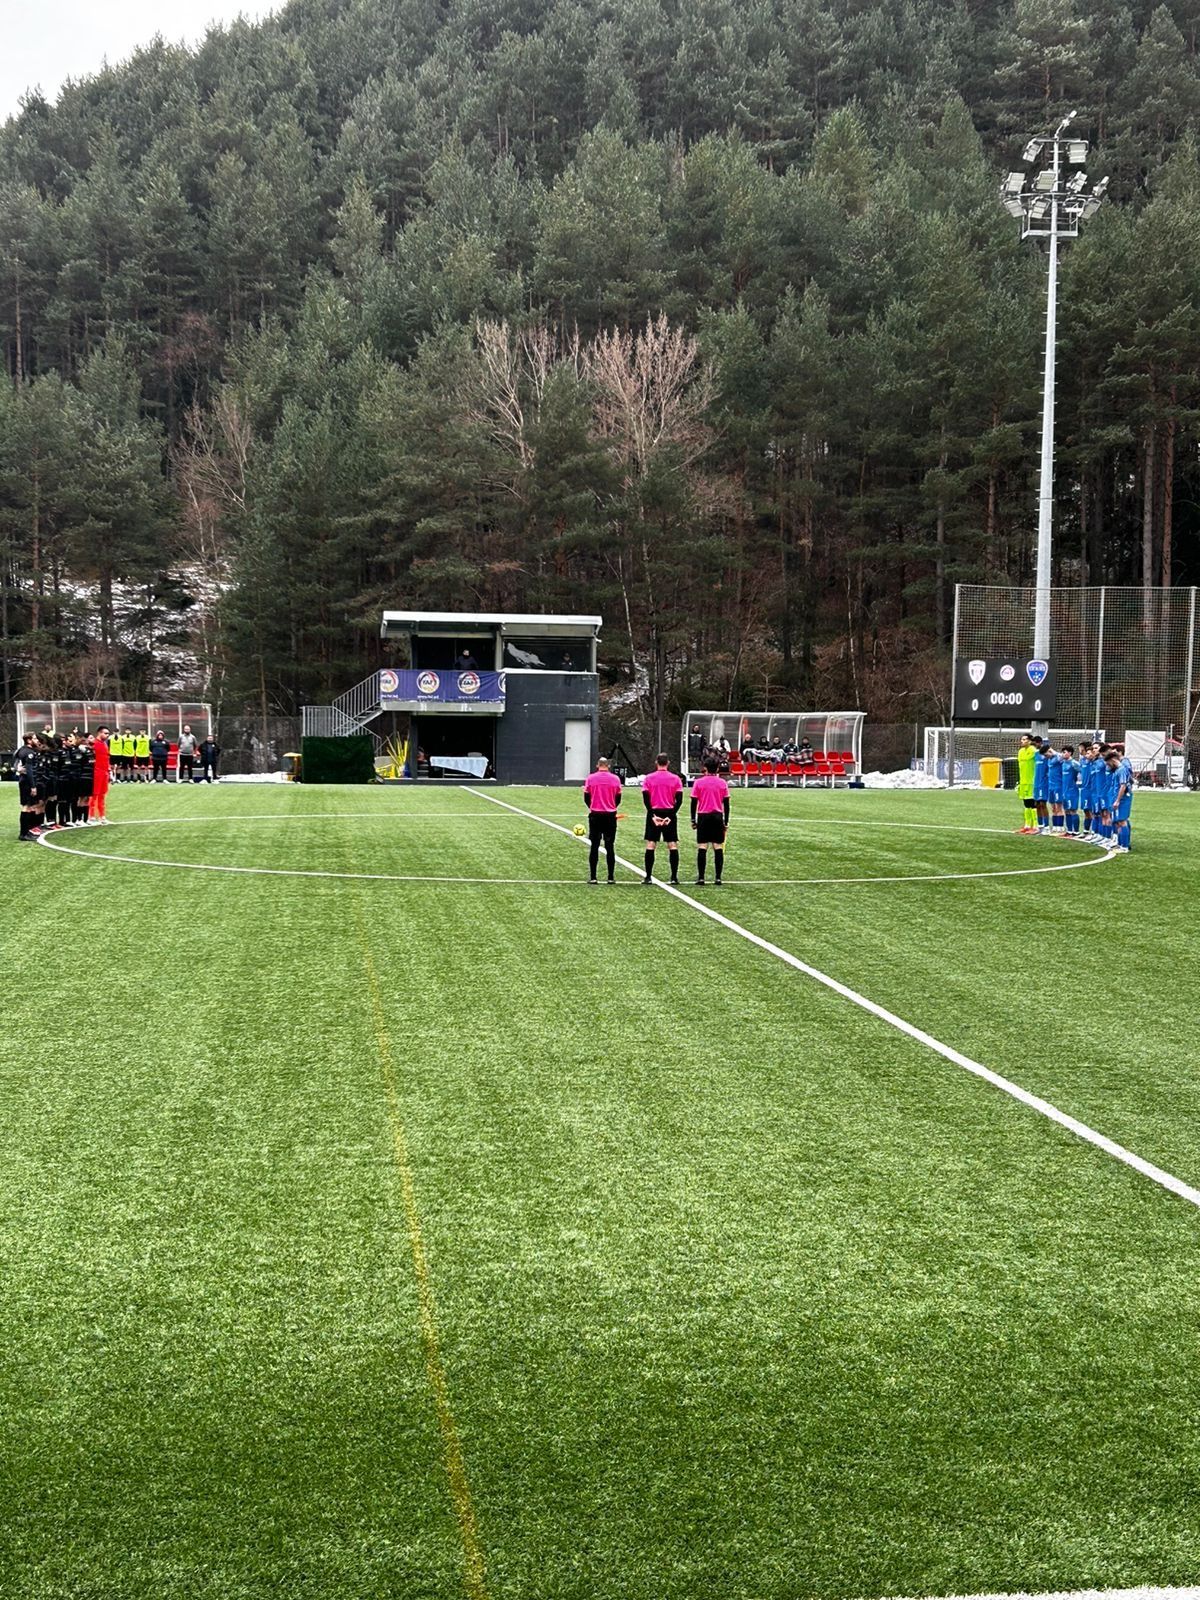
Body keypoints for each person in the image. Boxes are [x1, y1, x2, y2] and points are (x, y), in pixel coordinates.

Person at [640, 752, 683, 885]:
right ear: (668, 763)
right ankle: (674, 877)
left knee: (651, 844)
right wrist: (671, 815)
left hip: (654, 812)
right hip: (669, 813)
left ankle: (648, 877)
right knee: (672, 844)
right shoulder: (676, 779)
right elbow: (679, 800)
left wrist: (652, 815)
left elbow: (646, 799)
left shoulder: (649, 778)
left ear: (656, 762)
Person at [690, 754, 731, 885]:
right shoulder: (722, 783)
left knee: (702, 846)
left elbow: (693, 802)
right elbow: (726, 803)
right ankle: (718, 877)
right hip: (717, 816)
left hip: (703, 816)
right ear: (717, 768)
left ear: (705, 768)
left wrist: (693, 819)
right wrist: (726, 821)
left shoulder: (698, 782)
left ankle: (701, 877)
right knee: (717, 846)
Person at [582, 755, 622, 884]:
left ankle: (593, 877)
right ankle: (610, 877)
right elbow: (618, 798)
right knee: (610, 846)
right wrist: (611, 806)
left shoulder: (591, 778)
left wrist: (593, 806)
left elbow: (586, 797)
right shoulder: (615, 779)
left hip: (596, 815)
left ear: (597, 766)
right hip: (610, 816)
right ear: (608, 766)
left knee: (594, 846)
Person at [15, 734, 43, 841]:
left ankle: (28, 831)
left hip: (24, 780)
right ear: (29, 740)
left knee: (30, 806)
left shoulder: (21, 750)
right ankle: (23, 834)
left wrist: (16, 769)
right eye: (35, 738)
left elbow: (16, 763)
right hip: (27, 781)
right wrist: (33, 786)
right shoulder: (29, 753)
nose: (37, 740)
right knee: (26, 806)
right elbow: (29, 770)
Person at [1106, 746, 1134, 852]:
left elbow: (1123, 786)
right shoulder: (1117, 770)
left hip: (1123, 799)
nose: (1108, 766)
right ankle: (1120, 843)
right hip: (1117, 798)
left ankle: (1125, 846)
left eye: (1108, 763)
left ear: (1113, 760)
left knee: (1122, 821)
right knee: (1118, 821)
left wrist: (1117, 800)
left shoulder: (1122, 769)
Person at [89, 725, 112, 823]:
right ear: (99, 733)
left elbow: (106, 759)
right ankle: (91, 816)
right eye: (105, 733)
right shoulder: (94, 744)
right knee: (94, 795)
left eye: (108, 734)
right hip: (96, 772)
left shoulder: (104, 744)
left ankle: (102, 816)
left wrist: (109, 771)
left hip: (104, 772)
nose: (107, 735)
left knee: (102, 795)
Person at [1016, 732, 1037, 832]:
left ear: (1029, 741)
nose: (1022, 741)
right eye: (1022, 739)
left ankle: (1036, 826)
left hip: (1032, 781)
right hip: (1023, 781)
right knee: (1026, 803)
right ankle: (1027, 825)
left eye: (1025, 739)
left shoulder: (1033, 750)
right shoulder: (1020, 751)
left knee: (1033, 804)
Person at [1058, 744, 1080, 836]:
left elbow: (1082, 772)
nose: (1063, 754)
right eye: (1062, 752)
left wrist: (1079, 782)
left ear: (1070, 753)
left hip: (1072, 791)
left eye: (1064, 752)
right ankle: (1069, 831)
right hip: (1064, 791)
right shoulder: (1063, 763)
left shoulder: (1074, 763)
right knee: (1066, 810)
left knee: (1072, 810)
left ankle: (1076, 831)